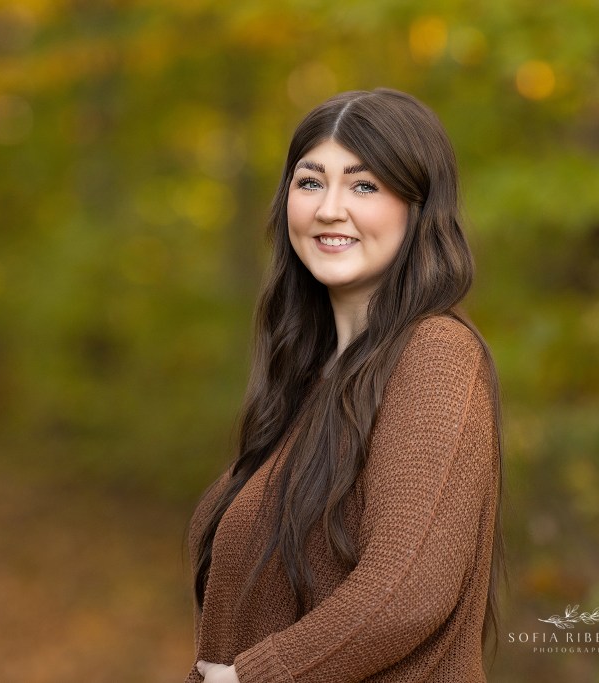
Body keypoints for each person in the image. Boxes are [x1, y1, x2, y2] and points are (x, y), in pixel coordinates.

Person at [185, 87, 506, 683]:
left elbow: (409, 591)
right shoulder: (312, 381)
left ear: (418, 207)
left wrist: (254, 675)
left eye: (364, 185)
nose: (330, 208)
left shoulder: (436, 356)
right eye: (311, 183)